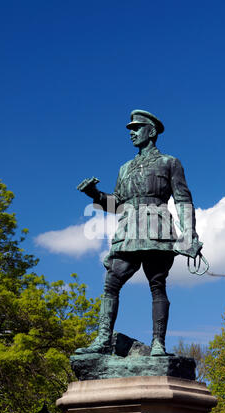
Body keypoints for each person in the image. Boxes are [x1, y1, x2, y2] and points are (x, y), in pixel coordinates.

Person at [76, 110, 198, 356]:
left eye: (136, 128)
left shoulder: (170, 162)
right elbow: (118, 204)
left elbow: (183, 200)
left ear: (151, 131)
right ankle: (102, 339)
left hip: (157, 229)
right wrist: (95, 195)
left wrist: (190, 235)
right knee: (111, 283)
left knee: (157, 284)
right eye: (130, 129)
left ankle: (158, 344)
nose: (131, 133)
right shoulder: (125, 168)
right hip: (128, 230)